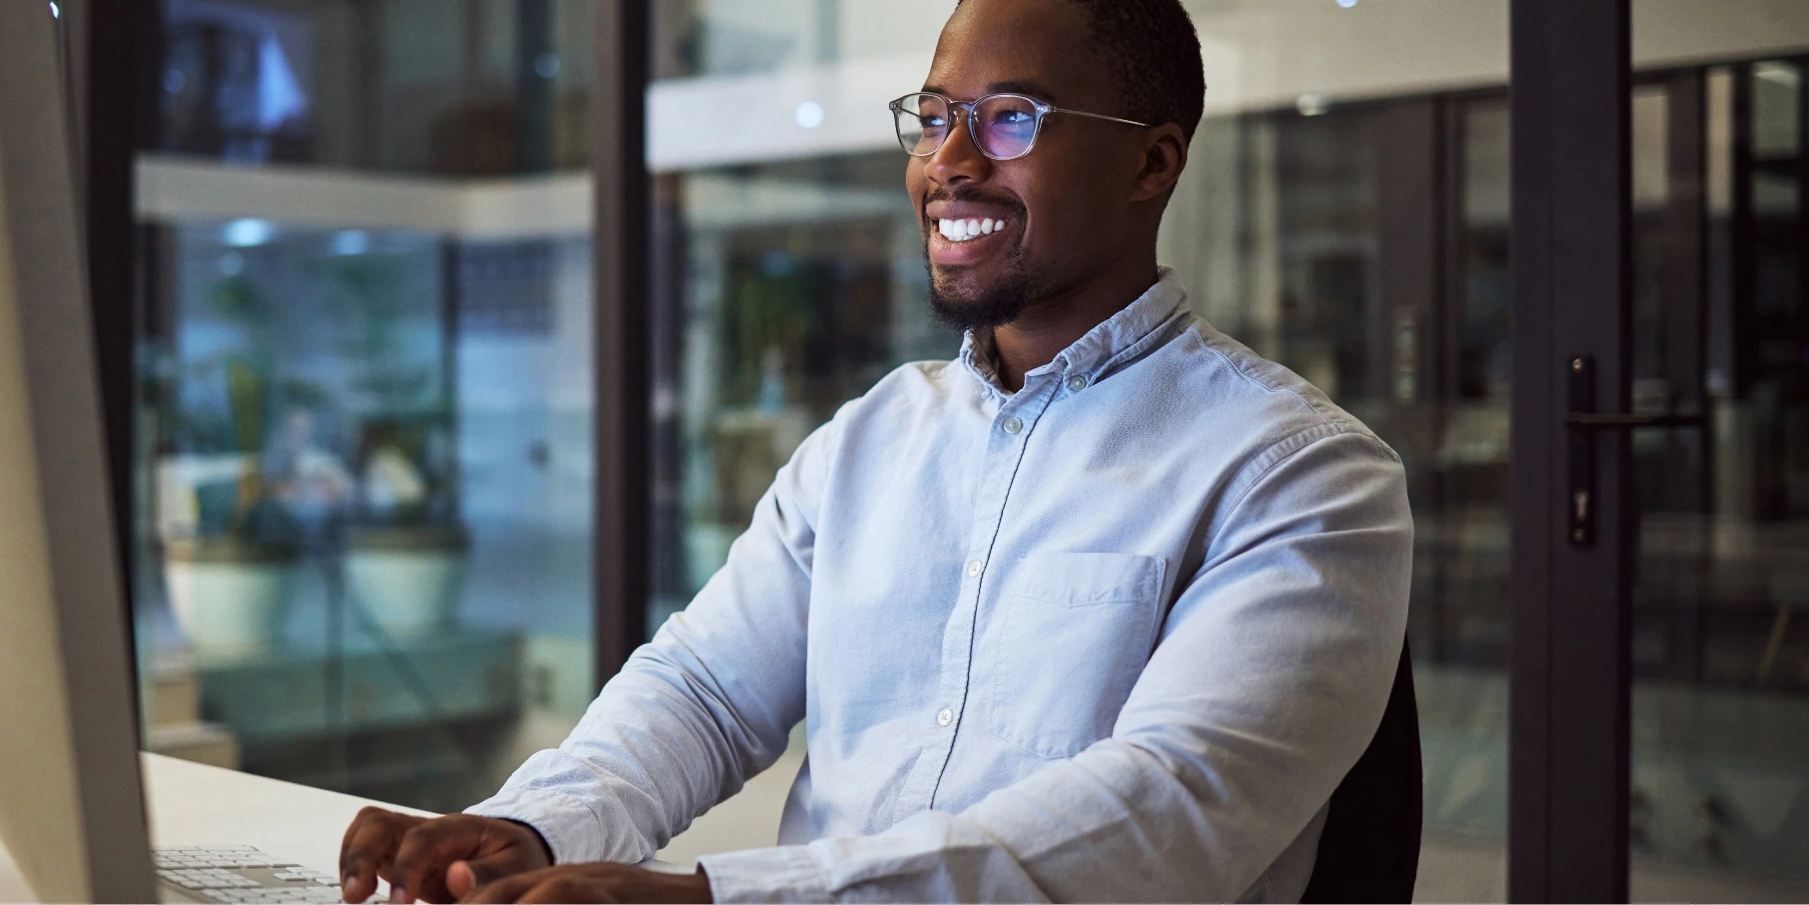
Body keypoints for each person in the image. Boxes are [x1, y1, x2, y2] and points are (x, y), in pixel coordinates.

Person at [339, 0, 1413, 900]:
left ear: (1152, 162)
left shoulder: (1302, 476)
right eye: (936, 115)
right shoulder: (869, 441)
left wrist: (715, 894)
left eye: (1009, 121)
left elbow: (1163, 814)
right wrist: (533, 827)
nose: (948, 163)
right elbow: (704, 690)